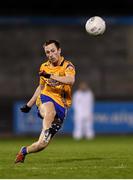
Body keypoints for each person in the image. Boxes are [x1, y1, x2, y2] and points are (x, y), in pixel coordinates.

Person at [15, 40, 76, 163]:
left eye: (53, 51)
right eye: (47, 52)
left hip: (62, 105)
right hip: (46, 97)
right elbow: (41, 87)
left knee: (41, 144)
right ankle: (48, 129)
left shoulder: (68, 66)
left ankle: (24, 151)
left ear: (59, 50)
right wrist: (29, 104)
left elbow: (70, 80)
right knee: (50, 112)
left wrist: (50, 76)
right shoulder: (44, 67)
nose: (50, 54)